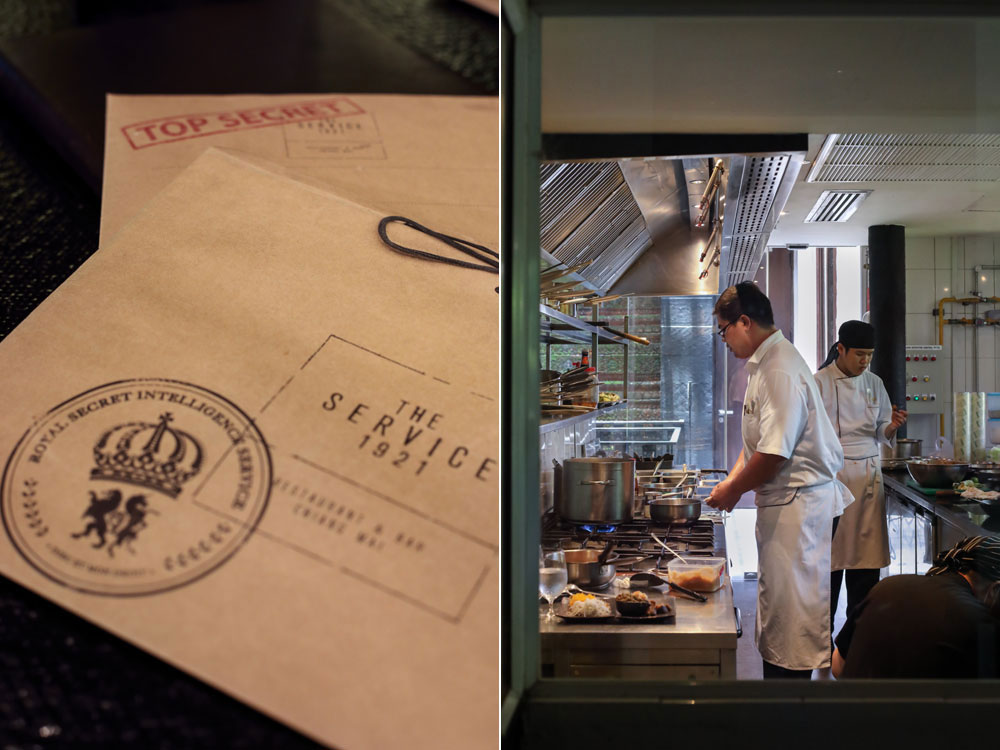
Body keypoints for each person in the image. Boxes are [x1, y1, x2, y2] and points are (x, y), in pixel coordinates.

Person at [707, 281, 852, 679]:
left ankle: (791, 714)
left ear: (745, 322)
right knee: (781, 617)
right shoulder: (764, 365)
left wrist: (733, 489)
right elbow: (755, 445)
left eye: (724, 331)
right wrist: (731, 487)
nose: (724, 341)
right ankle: (781, 705)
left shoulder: (779, 369)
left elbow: (774, 453)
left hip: (801, 509)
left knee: (793, 627)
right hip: (787, 507)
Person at [814, 320, 907, 635]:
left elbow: (881, 431)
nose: (865, 361)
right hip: (832, 479)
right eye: (859, 354)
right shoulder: (819, 383)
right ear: (840, 349)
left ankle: (856, 641)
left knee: (865, 570)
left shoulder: (874, 383)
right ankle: (821, 639)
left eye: (869, 355)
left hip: (867, 481)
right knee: (829, 564)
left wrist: (892, 426)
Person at [833, 536, 1000, 678]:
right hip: (916, 715)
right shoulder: (978, 622)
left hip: (850, 712)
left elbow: (837, 666)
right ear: (994, 589)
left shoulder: (889, 586)